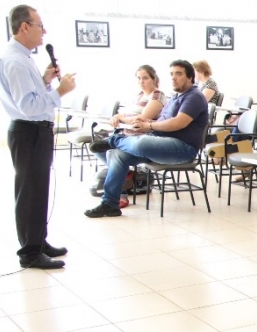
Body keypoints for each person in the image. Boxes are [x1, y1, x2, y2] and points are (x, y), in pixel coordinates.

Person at [0, 4, 76, 269]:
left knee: (38, 189)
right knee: (30, 192)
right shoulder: (14, 60)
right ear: (24, 27)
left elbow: (31, 95)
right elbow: (28, 106)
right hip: (28, 131)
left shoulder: (23, 57)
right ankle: (30, 253)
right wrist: (59, 92)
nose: (45, 31)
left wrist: (44, 80)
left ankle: (39, 241)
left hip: (34, 132)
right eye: (40, 25)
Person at [85, 60, 208, 218]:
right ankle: (110, 203)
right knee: (118, 155)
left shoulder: (194, 97)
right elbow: (162, 122)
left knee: (141, 143)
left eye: (178, 74)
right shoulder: (175, 97)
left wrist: (149, 127)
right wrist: (148, 123)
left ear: (190, 77)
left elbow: (178, 123)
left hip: (183, 148)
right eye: (171, 74)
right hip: (160, 142)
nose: (173, 78)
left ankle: (114, 140)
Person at [99, 65, 168, 207]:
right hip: (125, 134)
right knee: (98, 148)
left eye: (145, 78)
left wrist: (121, 118)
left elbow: (141, 119)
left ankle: (120, 196)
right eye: (139, 78)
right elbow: (125, 114)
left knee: (114, 153)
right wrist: (118, 116)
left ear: (154, 79)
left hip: (143, 137)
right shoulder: (139, 96)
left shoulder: (157, 96)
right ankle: (126, 175)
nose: (141, 81)